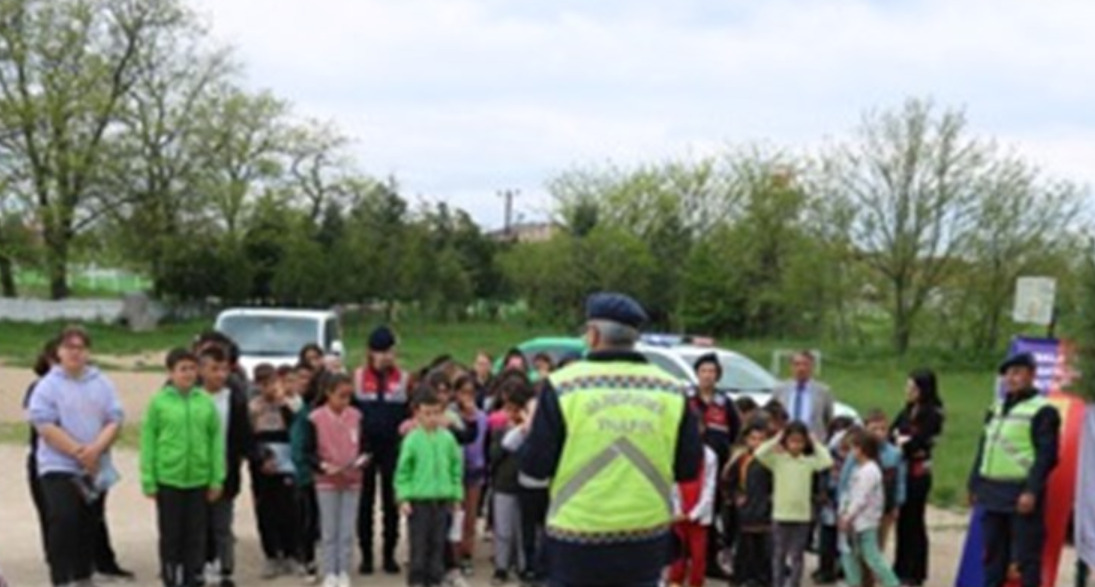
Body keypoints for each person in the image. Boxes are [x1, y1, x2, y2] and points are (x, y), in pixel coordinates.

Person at [519, 292, 703, 587]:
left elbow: (534, 468)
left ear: (592, 335)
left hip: (577, 535)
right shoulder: (670, 389)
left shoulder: (564, 385)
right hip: (645, 535)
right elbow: (689, 467)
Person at [28, 326, 126, 587]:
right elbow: (44, 425)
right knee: (64, 518)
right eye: (69, 347)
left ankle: (84, 576)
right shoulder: (47, 386)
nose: (75, 353)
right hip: (58, 465)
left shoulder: (102, 382)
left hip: (94, 466)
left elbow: (114, 419)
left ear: (88, 352)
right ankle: (61, 578)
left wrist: (95, 450)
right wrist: (78, 451)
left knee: (89, 521)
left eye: (80, 348)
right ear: (58, 352)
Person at [968, 353, 1060, 587]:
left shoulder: (1043, 410)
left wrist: (1031, 490)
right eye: (1008, 373)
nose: (1011, 378)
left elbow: (1047, 456)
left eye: (1018, 372)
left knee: (1026, 557)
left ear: (1032, 375)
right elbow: (985, 447)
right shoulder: (996, 408)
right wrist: (974, 483)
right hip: (992, 490)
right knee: (993, 555)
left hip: (1020, 492)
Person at [141, 348, 226, 587]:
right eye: (182, 369)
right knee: (171, 536)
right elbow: (148, 441)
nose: (188, 373)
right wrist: (148, 478)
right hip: (169, 480)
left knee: (195, 537)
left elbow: (215, 441)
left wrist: (216, 478)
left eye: (192, 368)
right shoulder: (159, 403)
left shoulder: (205, 402)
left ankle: (193, 578)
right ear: (171, 373)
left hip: (198, 480)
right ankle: (170, 577)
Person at [354, 326, 411, 575]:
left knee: (391, 504)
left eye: (390, 351)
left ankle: (389, 555)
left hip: (392, 448)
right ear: (370, 352)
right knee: (364, 504)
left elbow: (410, 411)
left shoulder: (404, 379)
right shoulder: (357, 377)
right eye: (381, 352)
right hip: (364, 447)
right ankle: (366, 556)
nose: (387, 356)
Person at [304, 373, 370, 587]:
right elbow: (309, 452)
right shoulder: (315, 418)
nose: (345, 401)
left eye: (349, 396)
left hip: (352, 478)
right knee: (329, 528)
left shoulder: (357, 416)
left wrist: (360, 461)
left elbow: (366, 447)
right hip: (326, 480)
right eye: (341, 396)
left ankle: (344, 569)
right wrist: (324, 466)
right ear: (328, 394)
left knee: (347, 528)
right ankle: (329, 570)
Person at [396, 388, 465, 587]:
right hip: (419, 501)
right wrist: (404, 497)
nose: (432, 418)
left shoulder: (448, 439)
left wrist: (456, 495)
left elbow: (455, 468)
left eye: (436, 413)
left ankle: (435, 579)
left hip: (442, 500)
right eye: (427, 413)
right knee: (419, 546)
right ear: (417, 414)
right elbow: (403, 472)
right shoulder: (412, 440)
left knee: (438, 544)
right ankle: (417, 580)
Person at [198, 344, 253, 587]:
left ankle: (225, 569)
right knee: (199, 524)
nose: (220, 375)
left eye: (224, 369)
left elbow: (244, 435)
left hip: (225, 471)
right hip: (196, 472)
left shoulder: (235, 397)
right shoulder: (191, 397)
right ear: (202, 369)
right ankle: (199, 566)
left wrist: (255, 455)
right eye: (214, 369)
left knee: (222, 524)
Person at [755, 422, 834, 587]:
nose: (796, 445)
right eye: (792, 441)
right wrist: (777, 437)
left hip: (801, 516)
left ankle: (794, 583)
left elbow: (827, 461)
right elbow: (759, 453)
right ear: (786, 441)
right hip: (780, 515)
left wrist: (814, 442)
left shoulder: (808, 462)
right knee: (779, 554)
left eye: (800, 441)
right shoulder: (778, 460)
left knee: (797, 555)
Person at [688, 353, 742, 579]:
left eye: (712, 372)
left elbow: (737, 435)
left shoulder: (725, 403)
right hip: (690, 470)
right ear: (697, 374)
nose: (708, 376)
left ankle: (710, 560)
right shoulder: (686, 400)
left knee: (712, 515)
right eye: (704, 371)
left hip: (717, 471)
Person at [890, 369, 944, 587]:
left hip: (918, 472)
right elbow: (893, 432)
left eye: (913, 388)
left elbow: (920, 442)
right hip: (902, 469)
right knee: (902, 521)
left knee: (914, 520)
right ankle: (900, 566)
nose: (908, 391)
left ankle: (915, 571)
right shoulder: (908, 410)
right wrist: (901, 441)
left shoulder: (933, 413)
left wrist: (905, 442)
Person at [249, 363, 301, 579]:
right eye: (262, 383)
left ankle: (291, 553)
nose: (267, 388)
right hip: (262, 459)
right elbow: (249, 435)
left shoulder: (290, 403)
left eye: (271, 382)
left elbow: (295, 428)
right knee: (265, 507)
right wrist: (260, 458)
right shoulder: (253, 406)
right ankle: (272, 554)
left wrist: (281, 404)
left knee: (289, 507)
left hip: (286, 458)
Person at [839, 430, 900, 587]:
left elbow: (860, 498)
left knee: (872, 557)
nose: (851, 452)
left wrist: (847, 517)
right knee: (849, 555)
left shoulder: (869, 471)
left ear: (861, 449)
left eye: (853, 448)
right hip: (856, 523)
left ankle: (891, 583)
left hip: (864, 523)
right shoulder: (860, 469)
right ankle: (854, 582)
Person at [490, 378, 536, 585]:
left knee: (523, 529)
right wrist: (511, 433)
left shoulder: (533, 430)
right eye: (507, 409)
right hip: (504, 484)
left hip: (525, 485)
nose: (511, 414)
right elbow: (494, 455)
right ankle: (501, 566)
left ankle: (524, 565)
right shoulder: (501, 429)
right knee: (503, 529)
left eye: (515, 409)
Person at [668, 421, 718, 587]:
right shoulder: (674, 453)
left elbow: (709, 488)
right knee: (677, 556)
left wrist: (694, 514)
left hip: (699, 514)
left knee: (698, 557)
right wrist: (677, 511)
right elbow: (672, 485)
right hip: (678, 513)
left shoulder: (710, 455)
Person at [724, 420, 773, 587]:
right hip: (745, 510)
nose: (757, 443)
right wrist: (735, 495)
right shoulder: (740, 459)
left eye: (761, 439)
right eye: (753, 438)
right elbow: (729, 482)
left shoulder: (772, 461)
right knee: (744, 548)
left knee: (764, 550)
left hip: (766, 511)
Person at [25, 338, 60, 559]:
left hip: (82, 458)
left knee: (88, 515)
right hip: (46, 459)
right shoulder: (38, 388)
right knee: (51, 514)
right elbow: (40, 425)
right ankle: (59, 564)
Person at [292, 366, 327, 583]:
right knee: (310, 519)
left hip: (333, 476)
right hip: (311, 476)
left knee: (328, 522)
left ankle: (328, 561)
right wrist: (307, 472)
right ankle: (308, 559)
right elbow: (299, 446)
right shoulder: (308, 414)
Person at [814, 417, 857, 585]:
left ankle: (843, 569)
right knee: (827, 538)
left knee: (846, 542)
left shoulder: (857, 461)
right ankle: (825, 570)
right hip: (830, 504)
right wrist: (822, 493)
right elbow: (822, 477)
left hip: (848, 506)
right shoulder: (829, 457)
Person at [455, 376, 488, 574]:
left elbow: (483, 443)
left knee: (470, 516)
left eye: (471, 392)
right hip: (455, 470)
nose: (467, 397)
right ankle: (453, 554)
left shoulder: (482, 417)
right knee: (455, 516)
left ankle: (467, 554)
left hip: (475, 470)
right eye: (463, 392)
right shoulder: (451, 416)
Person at [773, 351, 834, 441]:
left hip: (813, 441)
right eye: (797, 364)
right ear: (791, 367)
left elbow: (828, 419)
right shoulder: (780, 390)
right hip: (785, 441)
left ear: (812, 367)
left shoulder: (823, 391)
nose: (801, 368)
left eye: (805, 364)